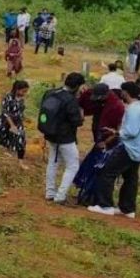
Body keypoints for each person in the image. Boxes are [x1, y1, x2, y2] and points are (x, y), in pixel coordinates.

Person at [88, 82, 140, 218]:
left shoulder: (133, 110)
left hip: (129, 148)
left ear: (126, 92)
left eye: (122, 91)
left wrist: (116, 133)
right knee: (130, 178)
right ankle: (127, 209)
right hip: (139, 149)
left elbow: (131, 131)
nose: (121, 94)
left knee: (107, 173)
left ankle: (105, 205)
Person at [42, 73, 86, 205]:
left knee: (53, 162)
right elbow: (77, 121)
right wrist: (81, 114)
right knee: (73, 165)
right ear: (77, 86)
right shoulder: (70, 100)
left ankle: (50, 192)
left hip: (51, 134)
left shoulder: (50, 93)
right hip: (66, 137)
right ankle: (60, 196)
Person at [0, 80, 30, 167]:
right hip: (5, 121)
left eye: (26, 91)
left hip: (17, 122)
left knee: (21, 139)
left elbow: (20, 111)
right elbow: (5, 112)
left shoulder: (22, 99)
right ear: (17, 89)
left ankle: (20, 163)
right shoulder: (8, 97)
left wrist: (20, 122)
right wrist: (12, 125)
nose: (24, 93)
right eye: (23, 91)